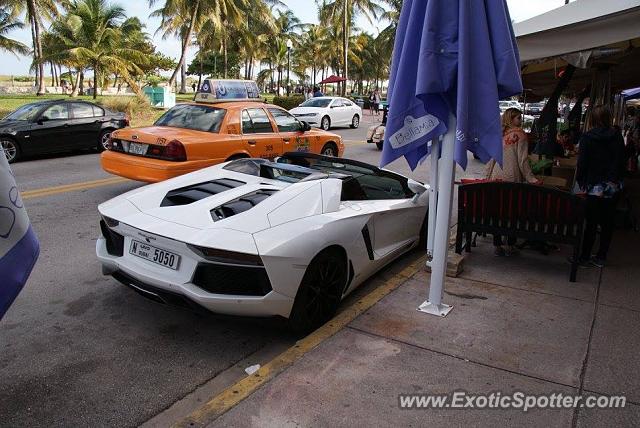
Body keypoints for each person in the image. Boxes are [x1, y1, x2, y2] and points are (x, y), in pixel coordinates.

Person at [574, 105, 626, 267]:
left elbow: (582, 163)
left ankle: (584, 256)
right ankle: (601, 256)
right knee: (607, 223)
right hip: (612, 185)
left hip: (593, 184)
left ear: (592, 119)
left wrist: (581, 182)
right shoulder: (617, 136)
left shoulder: (587, 137)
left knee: (590, 223)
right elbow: (621, 160)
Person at [486, 108, 541, 256]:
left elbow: (491, 159)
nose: (521, 121)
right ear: (511, 119)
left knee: (498, 212)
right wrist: (532, 179)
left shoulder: (500, 135)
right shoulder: (520, 135)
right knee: (512, 212)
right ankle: (510, 245)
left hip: (496, 177)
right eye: (518, 118)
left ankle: (497, 245)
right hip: (512, 178)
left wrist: (487, 176)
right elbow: (522, 161)